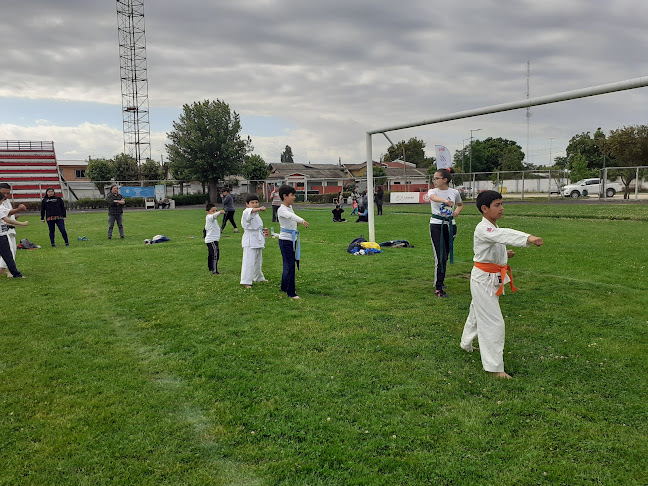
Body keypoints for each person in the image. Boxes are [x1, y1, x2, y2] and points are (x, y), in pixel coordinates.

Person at [460, 190, 543, 379]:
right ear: (484, 208)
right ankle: (494, 368)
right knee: (493, 322)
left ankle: (465, 344)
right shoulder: (484, 228)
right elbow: (502, 235)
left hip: (488, 279)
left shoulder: (492, 228)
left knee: (476, 312)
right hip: (483, 280)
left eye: (501, 204)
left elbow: (496, 243)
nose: (501, 208)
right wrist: (527, 238)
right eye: (497, 205)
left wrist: (506, 254)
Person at [427, 168, 464, 298]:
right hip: (437, 225)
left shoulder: (454, 192)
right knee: (440, 257)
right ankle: (438, 288)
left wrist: (457, 212)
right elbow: (432, 197)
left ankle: (440, 282)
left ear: (445, 180)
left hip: (450, 225)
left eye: (437, 178)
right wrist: (444, 201)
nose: (434, 180)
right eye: (434, 178)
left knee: (445, 256)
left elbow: (460, 204)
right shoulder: (433, 191)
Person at [277, 184, 309, 299]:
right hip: (285, 241)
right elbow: (290, 216)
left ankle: (284, 286)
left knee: (289, 264)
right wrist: (301, 220)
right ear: (285, 196)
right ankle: (291, 292)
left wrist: (296, 223)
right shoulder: (282, 209)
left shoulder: (289, 207)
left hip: (292, 239)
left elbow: (292, 216)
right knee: (290, 265)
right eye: (292, 195)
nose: (294, 197)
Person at [240, 194, 267, 288]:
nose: (255, 204)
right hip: (250, 239)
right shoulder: (246, 212)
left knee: (258, 260)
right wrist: (259, 209)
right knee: (249, 261)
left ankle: (258, 277)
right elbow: (251, 211)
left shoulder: (256, 214)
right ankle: (245, 281)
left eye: (256, 202)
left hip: (258, 238)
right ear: (247, 204)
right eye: (252, 203)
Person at [0, 183, 27, 277]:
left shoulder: (6, 201)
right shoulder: (0, 202)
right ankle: (11, 271)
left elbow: (8, 213)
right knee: (9, 251)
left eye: (8, 193)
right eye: (4, 193)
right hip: (4, 230)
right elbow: (6, 214)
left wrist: (15, 216)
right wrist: (18, 209)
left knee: (11, 251)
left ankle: (3, 269)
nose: (6, 196)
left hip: (9, 229)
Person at [205, 203, 225, 274]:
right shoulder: (209, 217)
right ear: (207, 212)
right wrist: (219, 212)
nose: (215, 212)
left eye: (216, 210)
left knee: (211, 254)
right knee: (215, 254)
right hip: (212, 240)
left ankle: (210, 267)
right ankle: (214, 270)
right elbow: (214, 216)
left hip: (213, 239)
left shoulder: (212, 220)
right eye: (213, 211)